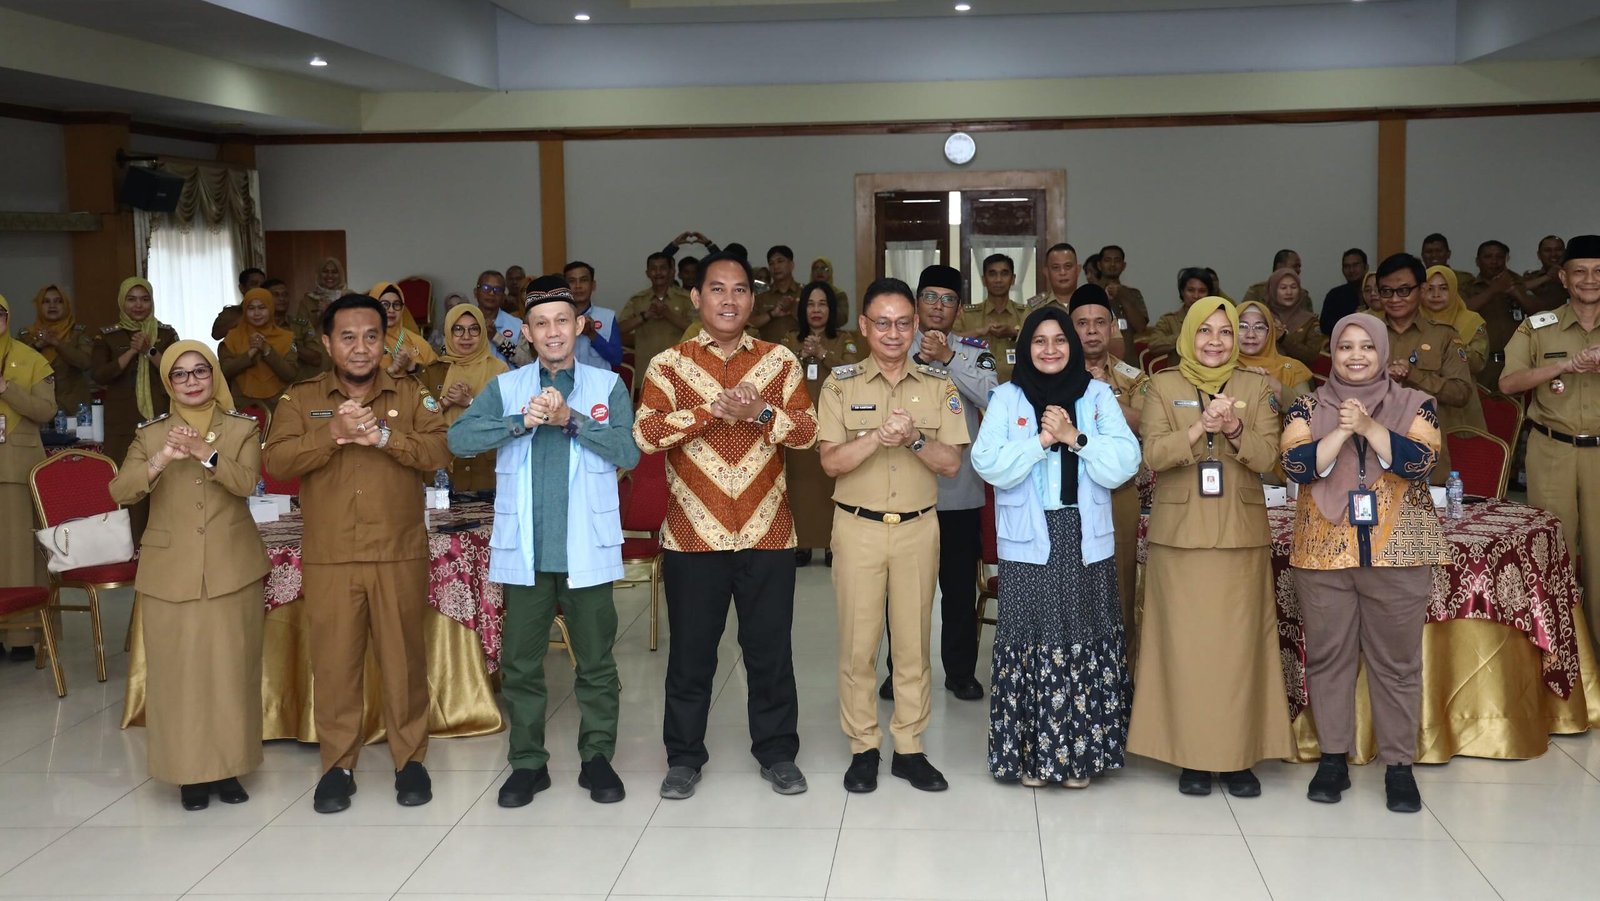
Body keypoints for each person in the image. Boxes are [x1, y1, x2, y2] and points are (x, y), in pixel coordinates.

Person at [633, 252, 817, 800]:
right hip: (692, 535)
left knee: (770, 653)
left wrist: (760, 411)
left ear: (752, 301)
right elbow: (647, 434)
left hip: (768, 532)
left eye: (739, 290)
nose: (729, 300)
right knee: (691, 654)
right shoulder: (668, 364)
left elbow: (806, 432)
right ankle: (684, 758)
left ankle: (778, 753)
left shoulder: (780, 361)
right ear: (697, 298)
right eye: (717, 289)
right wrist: (714, 411)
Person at [448, 281, 637, 807]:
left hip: (587, 549)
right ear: (526, 334)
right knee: (522, 665)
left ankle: (597, 758)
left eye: (563, 321)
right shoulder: (507, 388)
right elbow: (459, 439)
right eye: (542, 324)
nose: (553, 331)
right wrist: (519, 423)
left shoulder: (606, 387)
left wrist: (569, 420)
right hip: (525, 554)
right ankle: (528, 763)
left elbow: (629, 449)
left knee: (596, 663)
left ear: (580, 327)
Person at [263, 292, 451, 814]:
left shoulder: (414, 393)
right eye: (348, 337)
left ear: (385, 339)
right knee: (336, 664)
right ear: (327, 343)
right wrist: (333, 433)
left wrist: (385, 436)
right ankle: (337, 766)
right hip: (331, 555)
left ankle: (409, 761)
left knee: (404, 661)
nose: (361, 347)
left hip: (398, 551)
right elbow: (276, 460)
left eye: (372, 335)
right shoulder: (300, 399)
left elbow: (440, 450)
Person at [1279, 313, 1446, 813]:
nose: (1355, 356)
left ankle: (1399, 766)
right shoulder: (1307, 404)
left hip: (1398, 550)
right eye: (1345, 347)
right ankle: (1333, 758)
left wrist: (1371, 426)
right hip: (1323, 552)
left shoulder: (1416, 403)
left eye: (1366, 348)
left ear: (1382, 353)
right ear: (1332, 352)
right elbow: (1295, 465)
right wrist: (1340, 430)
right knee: (1329, 657)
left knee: (1397, 664)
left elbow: (1420, 462)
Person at [1127, 297, 1294, 797]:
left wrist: (1237, 429)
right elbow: (1153, 454)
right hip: (1179, 536)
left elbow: (1272, 462)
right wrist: (1200, 429)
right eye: (1206, 332)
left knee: (1240, 651)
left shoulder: (1259, 388)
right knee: (1184, 650)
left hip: (1240, 534)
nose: (1216, 342)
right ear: (1189, 335)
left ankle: (1239, 756)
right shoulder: (1162, 386)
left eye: (1226, 332)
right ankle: (1192, 757)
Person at [972, 304, 1141, 788]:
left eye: (1059, 340)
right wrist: (1041, 443)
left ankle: (1080, 758)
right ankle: (1031, 758)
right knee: (1032, 640)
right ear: (1026, 347)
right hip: (1030, 541)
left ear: (1073, 346)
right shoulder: (1005, 398)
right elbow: (987, 462)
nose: (1050, 350)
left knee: (1082, 637)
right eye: (1040, 341)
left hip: (1083, 537)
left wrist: (1075, 437)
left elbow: (1125, 462)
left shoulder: (1098, 395)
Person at [818, 277, 970, 794]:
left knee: (911, 645)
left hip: (917, 528)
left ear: (915, 326)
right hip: (857, 528)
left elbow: (951, 464)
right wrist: (876, 439)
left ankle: (909, 746)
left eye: (904, 323)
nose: (893, 333)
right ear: (863, 326)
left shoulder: (938, 385)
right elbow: (831, 462)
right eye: (882, 323)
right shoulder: (840, 384)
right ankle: (864, 745)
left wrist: (913, 439)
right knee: (858, 646)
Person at [108, 340, 269, 811]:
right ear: (168, 383)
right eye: (180, 374)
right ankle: (188, 775)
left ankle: (230, 767)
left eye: (201, 371)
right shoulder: (150, 434)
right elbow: (120, 490)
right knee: (178, 676)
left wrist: (205, 452)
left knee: (230, 671)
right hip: (169, 570)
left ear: (214, 375)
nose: (192, 381)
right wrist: (160, 461)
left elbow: (246, 484)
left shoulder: (241, 428)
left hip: (231, 566)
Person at [876, 265, 997, 701]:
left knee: (959, 589)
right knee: (901, 591)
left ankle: (961, 670)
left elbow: (993, 399)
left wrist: (947, 360)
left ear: (959, 309)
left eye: (948, 299)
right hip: (902, 489)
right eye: (930, 297)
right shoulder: (893, 348)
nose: (938, 306)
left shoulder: (973, 351)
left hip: (957, 493)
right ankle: (899, 670)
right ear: (916, 302)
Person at [1502, 234, 1600, 649]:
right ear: (1563, 277)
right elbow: (1508, 382)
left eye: (1598, 272)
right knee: (1550, 556)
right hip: (1552, 451)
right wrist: (1567, 365)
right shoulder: (1537, 326)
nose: (1589, 279)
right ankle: (1557, 653)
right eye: (1580, 271)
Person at [1069, 285, 1151, 665]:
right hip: (1066, 492)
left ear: (1112, 328)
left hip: (1118, 494)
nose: (1091, 331)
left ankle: (1122, 677)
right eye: (1082, 323)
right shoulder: (1054, 368)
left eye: (1099, 322)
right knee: (1069, 588)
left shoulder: (1132, 378)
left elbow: (1149, 425)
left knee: (1119, 587)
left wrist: (1106, 395)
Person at [781, 281, 865, 567]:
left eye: (823, 304)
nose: (816, 310)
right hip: (797, 425)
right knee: (798, 486)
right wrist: (802, 355)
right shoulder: (790, 339)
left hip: (835, 424)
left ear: (832, 309)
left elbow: (854, 373)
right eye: (811, 304)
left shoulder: (845, 338)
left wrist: (823, 355)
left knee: (831, 484)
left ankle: (833, 545)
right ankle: (801, 544)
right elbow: (775, 376)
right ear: (803, 309)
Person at [92, 277, 180, 541]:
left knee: (165, 484)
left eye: (145, 299)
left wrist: (149, 350)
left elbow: (176, 372)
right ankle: (130, 548)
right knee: (129, 484)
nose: (139, 305)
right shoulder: (107, 336)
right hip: (123, 423)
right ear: (122, 302)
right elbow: (100, 375)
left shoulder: (165, 334)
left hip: (161, 419)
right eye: (132, 299)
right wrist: (131, 353)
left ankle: (164, 546)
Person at [1376, 253, 1476, 483]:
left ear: (1421, 290)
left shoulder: (1444, 335)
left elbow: (1461, 393)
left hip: (1426, 452)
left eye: (1403, 290)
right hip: (1372, 453)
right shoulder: (1364, 333)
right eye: (1386, 291)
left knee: (1428, 518)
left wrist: (1416, 376)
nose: (1394, 299)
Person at [0, 293, 55, 660]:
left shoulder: (32, 360)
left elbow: (46, 410)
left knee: (17, 554)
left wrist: (6, 388)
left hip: (14, 470)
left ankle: (21, 637)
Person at [422, 303, 509, 492]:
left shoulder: (499, 370)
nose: (466, 337)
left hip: (486, 465)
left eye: (474, 329)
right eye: (458, 330)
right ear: (448, 332)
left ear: (483, 333)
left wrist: (469, 402)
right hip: (442, 465)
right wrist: (446, 401)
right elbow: (421, 420)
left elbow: (506, 419)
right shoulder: (433, 371)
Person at [1463, 240, 1537, 391]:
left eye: (1499, 257)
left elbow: (1539, 315)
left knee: (1516, 410)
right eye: (1488, 257)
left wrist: (1515, 292)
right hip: (1483, 365)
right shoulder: (1469, 288)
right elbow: (1463, 312)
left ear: (1506, 259)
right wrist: (1492, 290)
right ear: (1477, 261)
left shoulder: (1519, 284)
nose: (1494, 262)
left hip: (1516, 364)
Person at [618, 252, 694, 395]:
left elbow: (697, 330)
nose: (658, 272)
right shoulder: (638, 300)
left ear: (672, 271)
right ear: (647, 273)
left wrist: (668, 314)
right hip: (647, 371)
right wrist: (644, 316)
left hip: (679, 370)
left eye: (663, 268)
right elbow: (619, 329)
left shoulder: (685, 299)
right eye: (653, 268)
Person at [218, 287, 299, 411]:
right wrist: (250, 353)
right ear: (245, 311)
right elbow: (225, 371)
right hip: (242, 405)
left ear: (271, 309)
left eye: (262, 308)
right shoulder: (233, 337)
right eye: (251, 308)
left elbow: (290, 374)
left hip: (278, 404)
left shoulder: (286, 337)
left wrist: (267, 350)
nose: (256, 313)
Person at [19, 284, 93, 414]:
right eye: (46, 302)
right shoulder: (27, 335)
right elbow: (19, 367)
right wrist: (37, 346)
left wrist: (57, 343)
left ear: (66, 305)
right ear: (38, 306)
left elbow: (85, 363)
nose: (52, 306)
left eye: (58, 301)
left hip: (73, 407)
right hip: (37, 407)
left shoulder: (77, 333)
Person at [955, 254, 1027, 382]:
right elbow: (951, 342)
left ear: (1013, 279)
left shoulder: (1026, 314)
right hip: (975, 391)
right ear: (984, 280)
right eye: (992, 274)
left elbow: (1038, 341)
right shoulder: (966, 314)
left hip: (1018, 391)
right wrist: (979, 332)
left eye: (1004, 274)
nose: (998, 280)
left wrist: (1014, 334)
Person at [1236, 300, 1314, 410]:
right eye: (1242, 326)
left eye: (1259, 327)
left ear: (1270, 332)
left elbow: (1308, 412)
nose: (1251, 335)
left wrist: (1272, 384)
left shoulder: (1292, 368)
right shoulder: (1223, 365)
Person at [1421, 265, 1489, 383]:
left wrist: (1451, 344)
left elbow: (1478, 364)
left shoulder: (1471, 321)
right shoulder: (1411, 320)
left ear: (1453, 289)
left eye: (1443, 288)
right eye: (1429, 289)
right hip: (1418, 394)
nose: (1436, 294)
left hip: (1461, 393)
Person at [369, 281, 437, 377]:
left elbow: (438, 379)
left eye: (396, 304)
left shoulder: (416, 342)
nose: (391, 310)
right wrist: (391, 370)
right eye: (385, 304)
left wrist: (413, 367)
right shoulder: (363, 343)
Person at [1143, 268, 1214, 359]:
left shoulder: (1218, 321)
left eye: (1202, 291)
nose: (1196, 296)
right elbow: (1154, 346)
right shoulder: (1169, 320)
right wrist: (1186, 336)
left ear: (1209, 294)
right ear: (1182, 292)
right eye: (1191, 290)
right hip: (1179, 371)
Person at [563, 263, 622, 370]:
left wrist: (592, 335)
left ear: (593, 285)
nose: (578, 286)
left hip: (599, 384)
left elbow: (616, 359)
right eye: (572, 281)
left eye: (584, 280)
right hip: (565, 383)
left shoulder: (607, 316)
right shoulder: (557, 319)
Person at [264, 278, 326, 379]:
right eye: (276, 295)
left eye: (285, 295)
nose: (282, 299)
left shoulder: (302, 325)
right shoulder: (255, 327)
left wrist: (289, 343)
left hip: (296, 387)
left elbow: (316, 359)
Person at [1265, 267, 1325, 366]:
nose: (1289, 292)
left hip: (1299, 375)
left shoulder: (1310, 321)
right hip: (1264, 372)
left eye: (1293, 287)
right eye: (1283, 288)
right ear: (1273, 291)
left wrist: (1283, 338)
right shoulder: (1262, 317)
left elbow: (1312, 356)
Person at [465, 270, 521, 365]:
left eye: (497, 290)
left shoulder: (517, 324)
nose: (491, 293)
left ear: (503, 297)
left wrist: (496, 337)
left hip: (507, 378)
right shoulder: (462, 322)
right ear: (475, 292)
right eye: (486, 288)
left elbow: (526, 362)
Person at [750, 245, 804, 342]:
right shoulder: (761, 295)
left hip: (799, 353)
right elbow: (749, 324)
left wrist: (795, 309)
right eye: (771, 263)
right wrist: (772, 313)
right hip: (768, 353)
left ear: (791, 265)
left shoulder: (805, 293)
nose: (775, 266)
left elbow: (818, 324)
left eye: (780, 261)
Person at [1095, 245, 1150, 338]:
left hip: (1127, 350)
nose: (1112, 264)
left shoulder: (1133, 293)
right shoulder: (1089, 292)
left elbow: (1140, 327)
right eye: (1107, 260)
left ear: (1123, 266)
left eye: (1117, 260)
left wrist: (1123, 297)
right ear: (1099, 265)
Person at [1243, 249, 1313, 312]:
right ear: (1280, 267)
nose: (1299, 270)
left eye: (1293, 287)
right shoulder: (1256, 292)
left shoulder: (1303, 296)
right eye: (1295, 266)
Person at [1320, 249, 1370, 336]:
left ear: (1366, 267)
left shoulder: (1377, 293)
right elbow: (1325, 326)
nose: (1351, 270)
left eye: (1355, 265)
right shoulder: (1335, 295)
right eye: (1346, 266)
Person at [210, 267, 267, 340]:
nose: (259, 288)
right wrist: (244, 317)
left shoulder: (271, 311)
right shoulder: (230, 312)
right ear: (242, 288)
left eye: (263, 285)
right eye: (254, 284)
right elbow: (216, 335)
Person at [1522, 235, 1570, 313]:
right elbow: (1518, 289)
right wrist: (1547, 277)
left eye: (1558, 249)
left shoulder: (1576, 275)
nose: (1553, 254)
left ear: (1565, 253)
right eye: (1547, 250)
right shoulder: (1531, 276)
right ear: (1539, 255)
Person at [809, 256, 852, 328]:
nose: (819, 271)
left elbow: (843, 319)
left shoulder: (839, 294)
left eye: (824, 268)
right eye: (816, 268)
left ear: (830, 272)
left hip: (832, 334)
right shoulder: (806, 293)